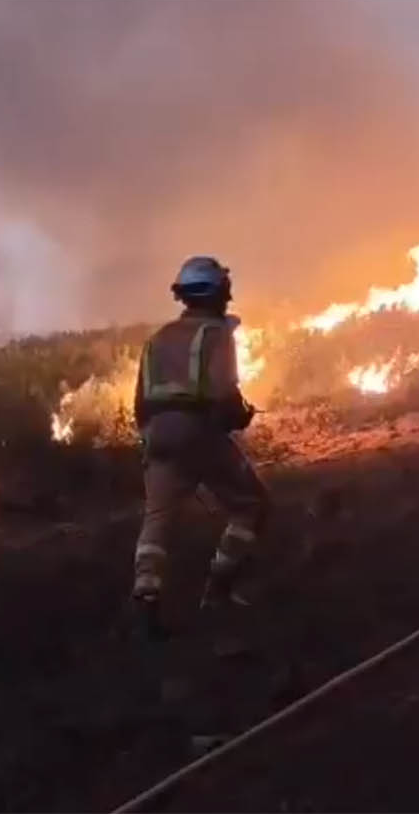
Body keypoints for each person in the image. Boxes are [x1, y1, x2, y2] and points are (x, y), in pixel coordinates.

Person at [131, 256, 269, 637]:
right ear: (218, 293)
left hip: (158, 434)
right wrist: (238, 418)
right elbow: (223, 393)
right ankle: (218, 590)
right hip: (197, 430)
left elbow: (140, 401)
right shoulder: (216, 335)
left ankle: (145, 595)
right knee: (250, 505)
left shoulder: (156, 340)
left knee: (157, 520)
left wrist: (151, 439)